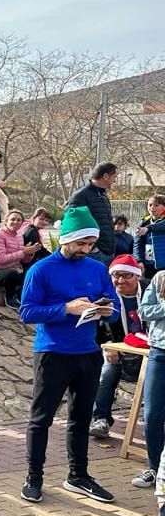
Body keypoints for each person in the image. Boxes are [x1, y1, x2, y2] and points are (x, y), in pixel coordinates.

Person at [18, 205, 120, 504]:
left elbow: (114, 311)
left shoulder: (98, 268)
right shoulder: (41, 269)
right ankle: (34, 477)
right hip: (53, 352)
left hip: (88, 352)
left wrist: (105, 309)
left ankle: (79, 476)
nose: (85, 249)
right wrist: (66, 308)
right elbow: (27, 312)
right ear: (64, 239)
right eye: (80, 243)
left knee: (81, 417)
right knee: (41, 419)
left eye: (89, 244)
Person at [89, 254, 146, 443]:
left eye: (126, 276)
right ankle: (101, 419)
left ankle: (152, 421)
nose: (120, 281)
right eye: (116, 276)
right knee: (107, 372)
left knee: (156, 374)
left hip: (149, 349)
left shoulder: (149, 291)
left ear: (137, 276)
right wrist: (108, 347)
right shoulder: (106, 296)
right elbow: (96, 328)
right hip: (117, 349)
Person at [137, 272, 165, 492]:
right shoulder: (161, 278)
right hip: (160, 352)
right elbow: (144, 311)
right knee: (152, 414)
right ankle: (155, 469)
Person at [0, 209, 41, 309]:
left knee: (34, 271)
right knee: (12, 274)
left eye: (19, 220)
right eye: (13, 219)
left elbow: (23, 260)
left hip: (14, 268)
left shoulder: (19, 236)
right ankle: (10, 297)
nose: (15, 222)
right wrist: (23, 252)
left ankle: (26, 298)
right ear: (6, 221)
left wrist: (29, 254)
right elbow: (1, 259)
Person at [65, 162, 118, 265]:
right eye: (114, 177)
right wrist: (92, 247)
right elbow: (71, 224)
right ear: (105, 176)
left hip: (107, 252)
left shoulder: (103, 196)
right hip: (93, 254)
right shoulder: (80, 196)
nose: (115, 181)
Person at [135, 196, 165, 279]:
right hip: (149, 266)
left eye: (156, 205)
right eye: (150, 205)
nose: (152, 208)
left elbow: (162, 226)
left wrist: (149, 228)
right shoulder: (143, 222)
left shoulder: (150, 226)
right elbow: (138, 244)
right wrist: (139, 261)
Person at [19, 207, 53, 272]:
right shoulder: (31, 231)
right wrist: (54, 256)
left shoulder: (31, 229)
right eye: (41, 219)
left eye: (46, 220)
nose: (44, 222)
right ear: (34, 218)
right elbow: (40, 250)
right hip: (27, 264)